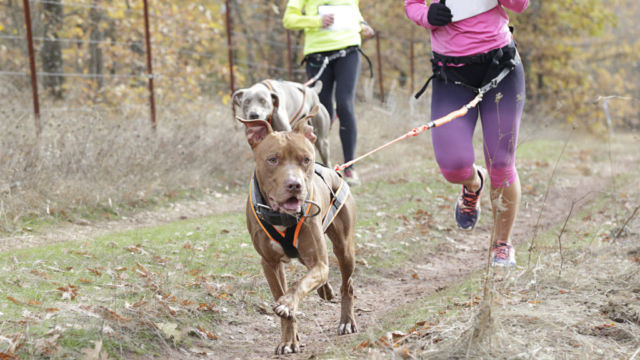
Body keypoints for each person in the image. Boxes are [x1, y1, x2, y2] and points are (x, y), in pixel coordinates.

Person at [405, 0, 528, 266]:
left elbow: (521, 5)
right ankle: (473, 183)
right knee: (452, 167)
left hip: (501, 67)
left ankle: (502, 245)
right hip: (451, 75)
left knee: (501, 163)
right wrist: (427, 15)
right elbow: (411, 5)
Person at [283, 0, 374, 186]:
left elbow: (353, 11)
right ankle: (317, 167)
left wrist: (363, 25)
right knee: (321, 111)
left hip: (348, 51)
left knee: (345, 104)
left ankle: (350, 168)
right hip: (317, 54)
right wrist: (317, 21)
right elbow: (289, 20)